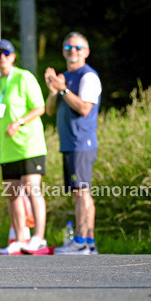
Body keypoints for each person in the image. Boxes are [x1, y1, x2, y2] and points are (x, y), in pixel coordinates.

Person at [0, 39, 49, 255]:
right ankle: (21, 239)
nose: (2, 57)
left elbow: (39, 108)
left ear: (13, 57)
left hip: (30, 145)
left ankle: (39, 237)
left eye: (6, 53)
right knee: (12, 194)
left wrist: (19, 122)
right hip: (8, 149)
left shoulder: (24, 77)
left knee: (32, 189)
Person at [46, 32, 102, 254]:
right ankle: (88, 242)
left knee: (82, 192)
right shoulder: (65, 77)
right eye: (68, 47)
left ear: (86, 52)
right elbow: (50, 110)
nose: (73, 51)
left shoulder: (88, 76)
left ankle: (80, 241)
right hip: (69, 143)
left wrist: (63, 89)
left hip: (82, 142)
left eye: (78, 48)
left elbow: (85, 108)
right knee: (80, 192)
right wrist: (53, 92)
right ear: (63, 51)